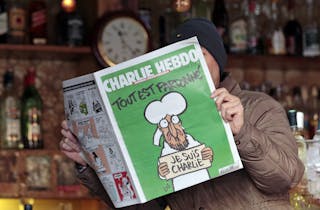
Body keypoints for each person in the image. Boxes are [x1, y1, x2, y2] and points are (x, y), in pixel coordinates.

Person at [60, 18, 304, 210]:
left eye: (198, 55)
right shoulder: (163, 125)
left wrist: (242, 131)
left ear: (218, 61)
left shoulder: (259, 107)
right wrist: (89, 165)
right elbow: (143, 207)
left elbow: (285, 177)